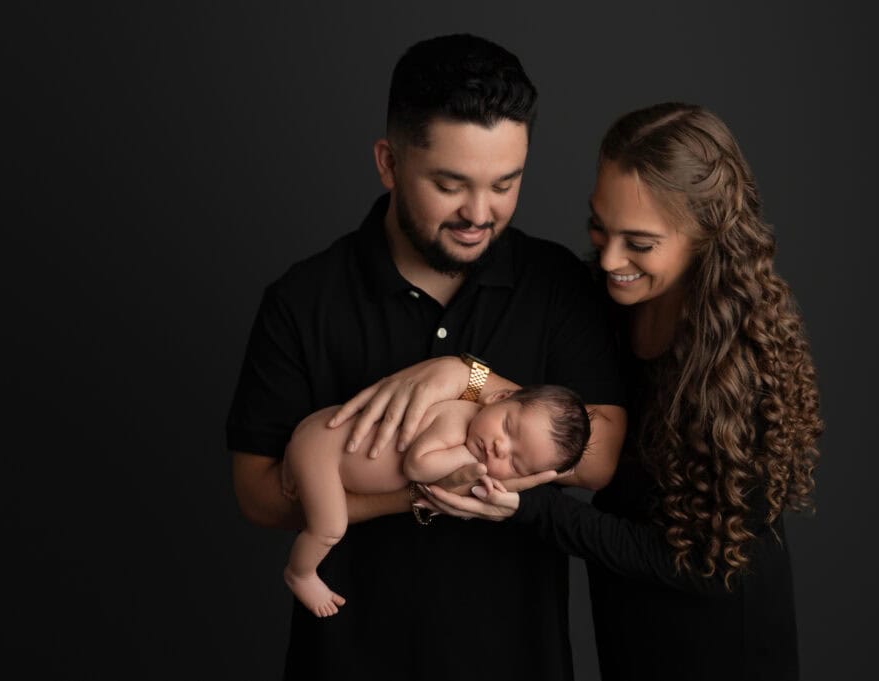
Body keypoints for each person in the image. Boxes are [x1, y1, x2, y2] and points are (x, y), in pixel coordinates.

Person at [353, 102, 824, 680]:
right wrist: (465, 376)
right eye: (599, 225)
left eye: (640, 243)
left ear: (705, 237)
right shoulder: (603, 303)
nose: (608, 258)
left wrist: (528, 505)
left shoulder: (737, 363)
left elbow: (702, 564)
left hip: (720, 643)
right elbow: (540, 413)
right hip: (627, 620)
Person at [226, 33, 626, 681]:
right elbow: (258, 494)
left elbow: (601, 454)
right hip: (347, 659)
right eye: (450, 184)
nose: (479, 213)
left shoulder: (556, 284)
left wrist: (466, 375)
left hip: (517, 658)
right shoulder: (303, 299)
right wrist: (426, 491)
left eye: (506, 184)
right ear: (388, 163)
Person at [282, 385, 590, 617]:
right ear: (498, 398)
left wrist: (507, 477)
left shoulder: (476, 439)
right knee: (330, 528)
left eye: (515, 461)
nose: (499, 447)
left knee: (308, 480)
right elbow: (416, 466)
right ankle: (300, 574)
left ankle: (294, 465)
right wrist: (470, 458)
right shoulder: (457, 419)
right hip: (325, 453)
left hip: (320, 437)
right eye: (508, 428)